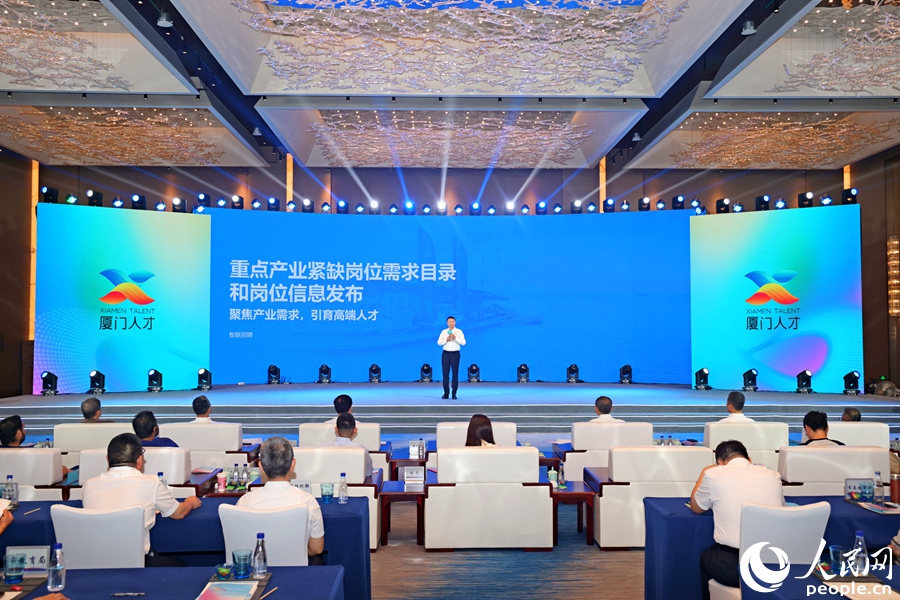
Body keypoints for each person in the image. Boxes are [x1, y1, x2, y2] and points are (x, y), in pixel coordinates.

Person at [82, 433, 201, 566]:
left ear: (107, 459)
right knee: (180, 565)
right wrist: (190, 502)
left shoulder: (88, 485)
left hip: (95, 563)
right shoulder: (150, 483)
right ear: (139, 460)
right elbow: (179, 513)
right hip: (136, 564)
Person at [690, 440, 785, 599]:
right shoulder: (772, 475)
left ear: (720, 462)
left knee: (707, 556)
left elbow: (696, 507)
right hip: (776, 563)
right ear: (749, 459)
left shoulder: (713, 474)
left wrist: (704, 472)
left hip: (735, 566)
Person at [237, 436, 325, 561]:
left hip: (257, 568)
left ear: (261, 466)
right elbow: (316, 549)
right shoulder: (308, 502)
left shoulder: (245, 502)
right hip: (295, 569)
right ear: (293, 464)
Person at [0, 416, 68, 480]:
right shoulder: (28, 455)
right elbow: (58, 471)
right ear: (19, 434)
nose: (25, 431)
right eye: (23, 429)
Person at [437, 316, 466, 400]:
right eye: (449, 322)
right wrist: (446, 340)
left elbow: (463, 342)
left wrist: (455, 338)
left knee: (455, 374)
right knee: (445, 374)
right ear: (447, 323)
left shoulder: (459, 331)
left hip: (455, 354)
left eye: (453, 321)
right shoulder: (444, 332)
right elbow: (439, 342)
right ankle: (446, 393)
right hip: (446, 354)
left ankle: (454, 393)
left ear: (455, 322)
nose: (451, 323)